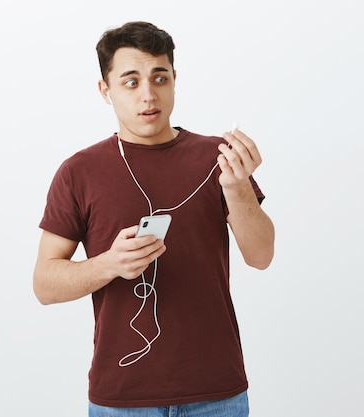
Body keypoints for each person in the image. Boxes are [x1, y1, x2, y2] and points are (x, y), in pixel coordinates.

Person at [33, 21, 275, 416]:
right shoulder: (79, 171)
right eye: (131, 82)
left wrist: (237, 188)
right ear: (105, 90)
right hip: (122, 399)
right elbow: (44, 284)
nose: (148, 94)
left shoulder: (219, 157)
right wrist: (109, 264)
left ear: (174, 80)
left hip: (217, 393)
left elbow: (261, 255)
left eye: (159, 78)